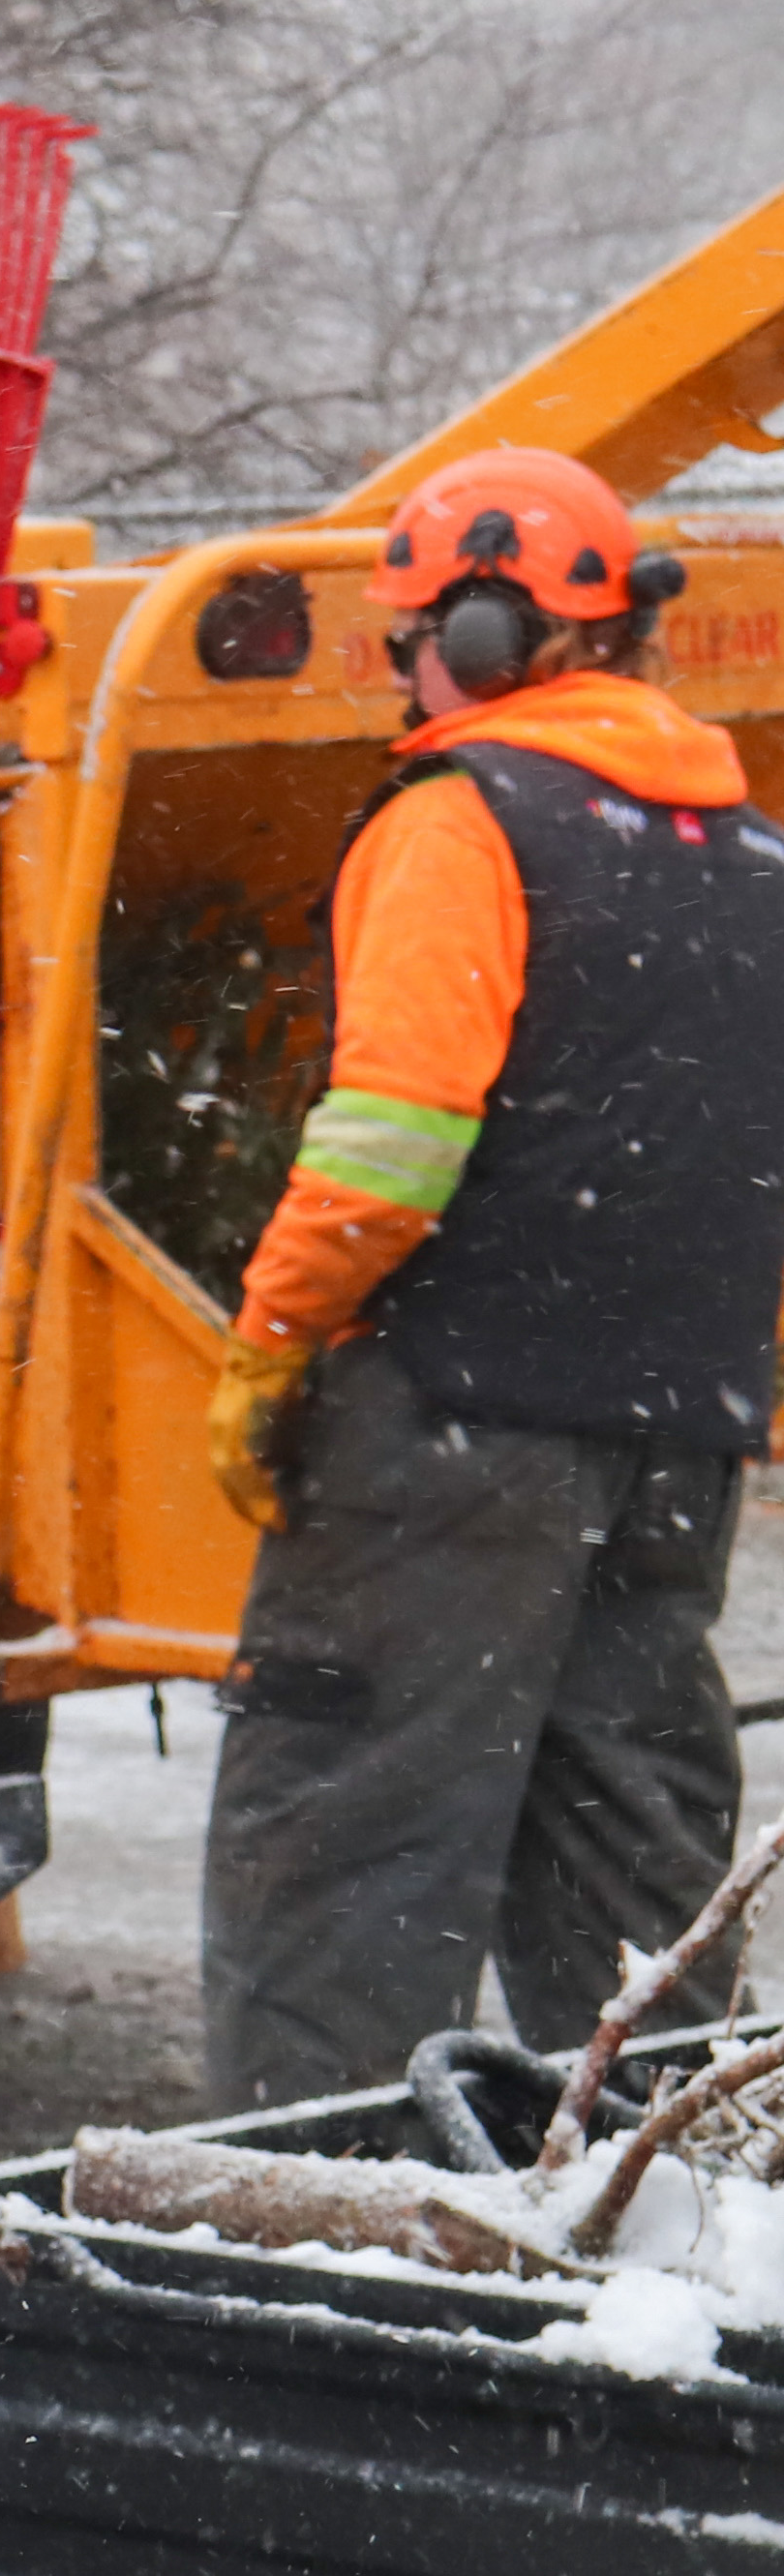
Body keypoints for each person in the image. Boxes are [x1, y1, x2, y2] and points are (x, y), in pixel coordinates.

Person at [201, 444, 784, 2109]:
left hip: (447, 1431)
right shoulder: (753, 863)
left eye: (406, 640)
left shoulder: (461, 818)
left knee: (344, 1854)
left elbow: (393, 1143)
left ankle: (302, 2241)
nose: (399, 676)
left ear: (475, 632)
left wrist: (273, 1337)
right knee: (631, 1883)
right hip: (680, 1434)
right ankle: (646, 2240)